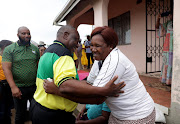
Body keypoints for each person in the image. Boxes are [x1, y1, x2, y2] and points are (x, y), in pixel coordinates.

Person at [43, 26, 155, 124]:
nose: (93, 49)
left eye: (97, 46)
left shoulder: (115, 60)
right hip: (119, 115)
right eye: (91, 45)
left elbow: (97, 98)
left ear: (110, 45)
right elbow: (89, 84)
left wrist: (57, 91)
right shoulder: (99, 59)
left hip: (136, 116)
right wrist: (89, 102)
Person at [30, 25, 125, 124]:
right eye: (76, 40)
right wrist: (103, 90)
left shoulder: (48, 51)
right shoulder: (63, 54)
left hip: (39, 107)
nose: (78, 44)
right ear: (66, 35)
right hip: (53, 115)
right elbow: (66, 86)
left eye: (97, 45)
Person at [2, 26, 40, 124]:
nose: (27, 35)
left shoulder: (35, 49)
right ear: (18, 35)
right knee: (20, 114)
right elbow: (6, 69)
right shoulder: (10, 49)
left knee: (36, 112)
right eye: (23, 33)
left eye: (28, 33)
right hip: (19, 88)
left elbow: (38, 66)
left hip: (34, 87)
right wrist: (13, 87)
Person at [156, 11, 173, 85]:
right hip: (168, 46)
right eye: (169, 14)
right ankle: (167, 80)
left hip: (175, 46)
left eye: (171, 14)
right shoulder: (168, 23)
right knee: (167, 62)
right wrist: (158, 19)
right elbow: (158, 27)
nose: (170, 15)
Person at [0, 40, 13, 124]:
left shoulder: (8, 58)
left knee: (8, 109)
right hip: (1, 86)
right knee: (2, 109)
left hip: (8, 85)